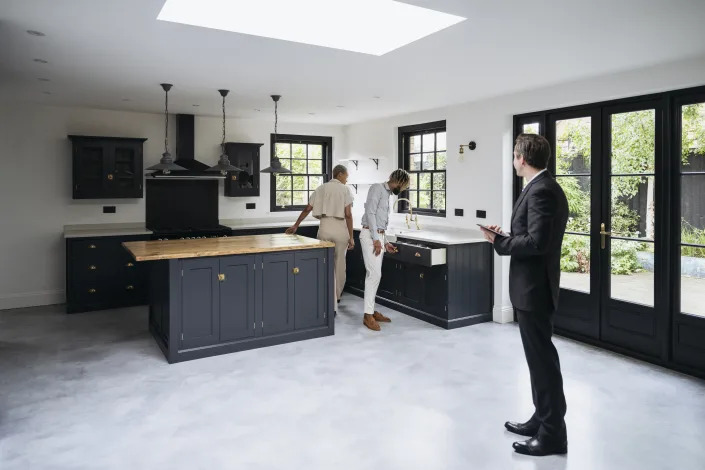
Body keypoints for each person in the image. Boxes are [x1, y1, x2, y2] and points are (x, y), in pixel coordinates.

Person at [480, 133, 569, 457]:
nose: (513, 160)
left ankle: (552, 435)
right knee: (539, 360)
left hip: (535, 290)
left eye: (514, 155)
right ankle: (542, 418)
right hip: (531, 289)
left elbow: (536, 243)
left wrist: (499, 243)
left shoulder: (542, 190)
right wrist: (504, 234)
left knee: (542, 361)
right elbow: (531, 235)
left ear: (521, 158)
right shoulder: (539, 187)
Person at [286, 164, 355, 306]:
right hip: (340, 230)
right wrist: (351, 237)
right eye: (346, 176)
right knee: (339, 263)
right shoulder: (345, 190)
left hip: (324, 228)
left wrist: (296, 225)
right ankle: (337, 296)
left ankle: (324, 295)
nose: (347, 179)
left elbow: (307, 208)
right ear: (340, 174)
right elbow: (348, 214)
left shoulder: (320, 188)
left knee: (324, 264)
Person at [359, 169, 410, 331]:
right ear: (398, 181)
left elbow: (381, 222)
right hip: (369, 235)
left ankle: (371, 311)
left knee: (375, 275)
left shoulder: (387, 194)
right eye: (403, 187)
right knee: (374, 274)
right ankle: (367, 315)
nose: (402, 190)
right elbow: (371, 214)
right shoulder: (377, 188)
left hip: (377, 236)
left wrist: (384, 241)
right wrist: (375, 239)